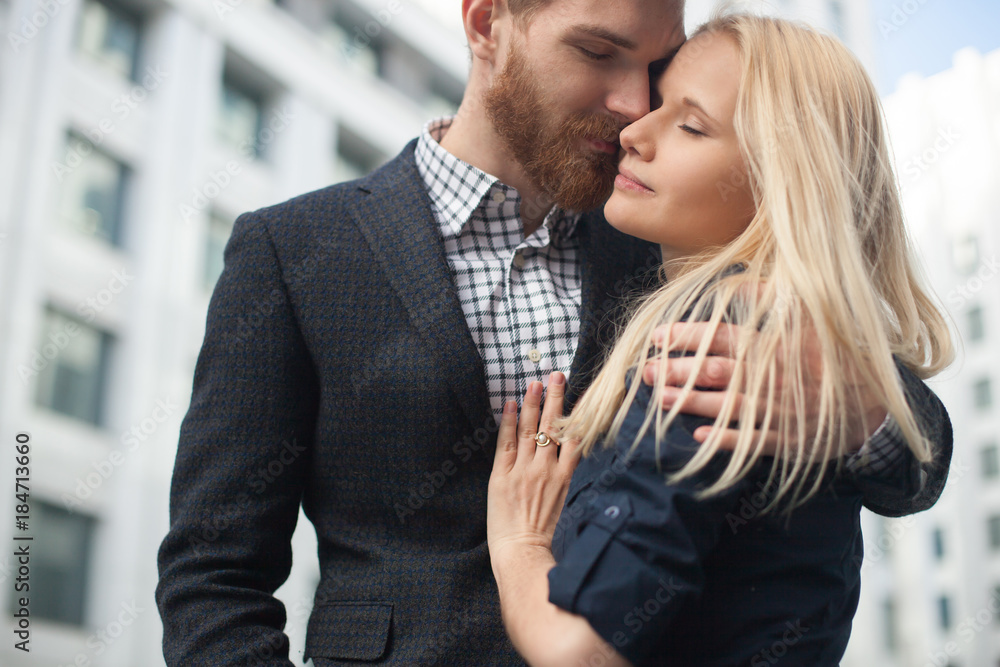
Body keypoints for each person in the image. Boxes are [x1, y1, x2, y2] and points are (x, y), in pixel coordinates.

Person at [155, 1, 952, 665]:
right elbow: (214, 576)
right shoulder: (293, 253)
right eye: (599, 52)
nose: (633, 102)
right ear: (484, 23)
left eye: (656, 68)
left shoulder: (682, 234)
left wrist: (856, 410)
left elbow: (916, 463)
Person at [486, 12, 954, 667]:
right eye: (661, 102)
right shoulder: (757, 311)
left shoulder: (716, 338)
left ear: (783, 185)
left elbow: (579, 649)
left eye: (691, 124)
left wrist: (518, 546)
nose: (636, 130)